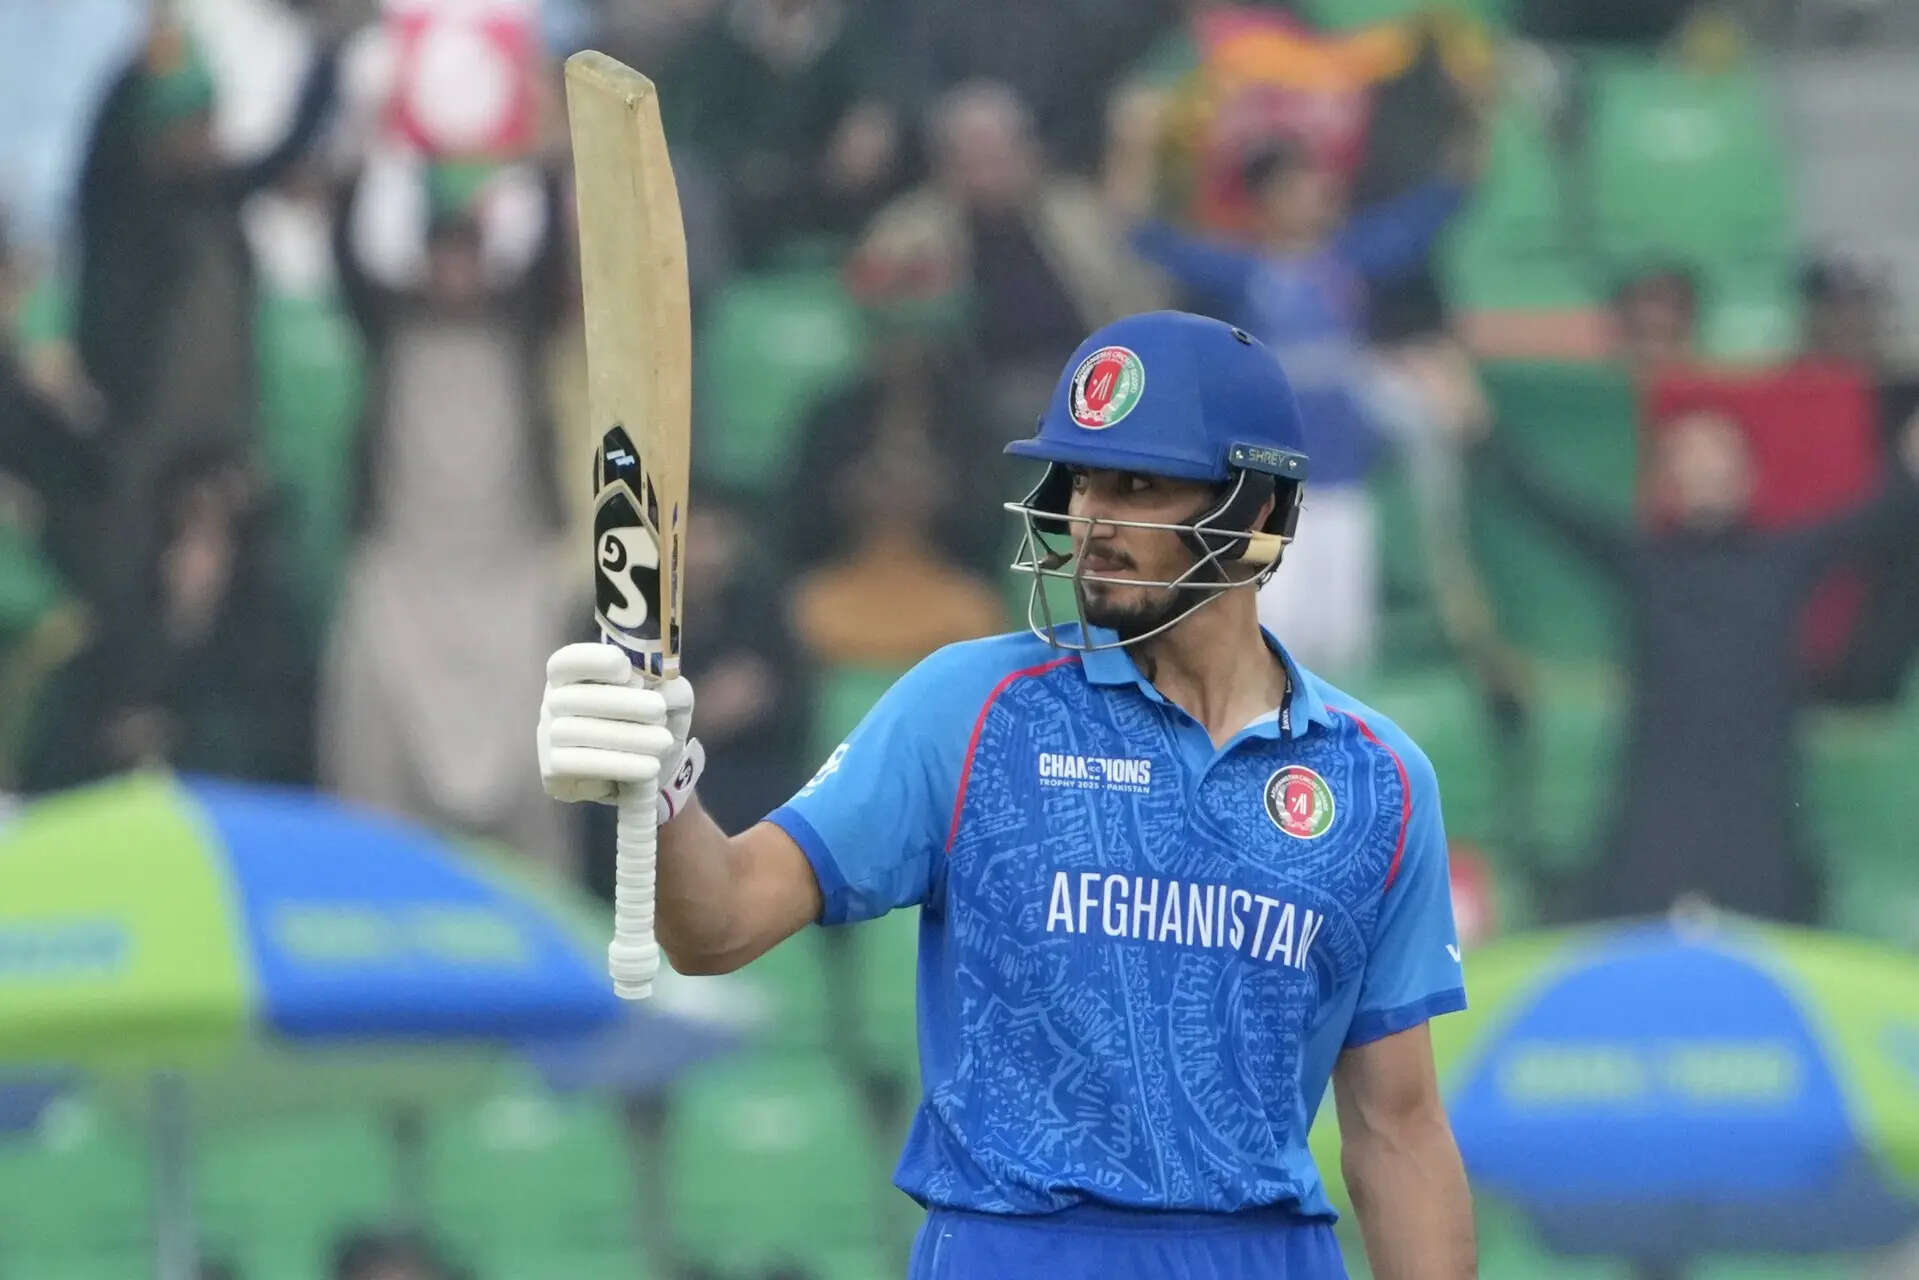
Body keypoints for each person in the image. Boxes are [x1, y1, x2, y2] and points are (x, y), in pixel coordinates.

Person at [538, 311, 1475, 1279]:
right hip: (1016, 1245)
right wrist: (662, 787)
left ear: (1258, 511)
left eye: (1139, 486)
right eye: (1081, 481)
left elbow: (1396, 1128)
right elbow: (718, 924)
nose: (1091, 521)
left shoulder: (1374, 775)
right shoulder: (969, 708)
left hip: (1262, 1252)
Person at [1472, 403, 1919, 923]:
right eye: (1688, 459)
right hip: (1655, 821)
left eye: (1717, 458)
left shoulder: (1784, 560)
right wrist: (1478, 432)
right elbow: (1548, 505)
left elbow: (1878, 518)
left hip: (1756, 825)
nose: (1705, 471)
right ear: (1665, 483)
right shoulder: (1644, 563)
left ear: (1748, 476)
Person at [1125, 134, 1478, 676]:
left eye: (1321, 186)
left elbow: (1433, 210)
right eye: (1302, 187)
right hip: (1268, 495)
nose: (1320, 196)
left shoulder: (1351, 261)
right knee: (1274, 632)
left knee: (1347, 642)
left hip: (1343, 484)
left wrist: (1468, 138)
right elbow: (1142, 235)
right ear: (1266, 199)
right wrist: (1137, 148)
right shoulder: (1240, 272)